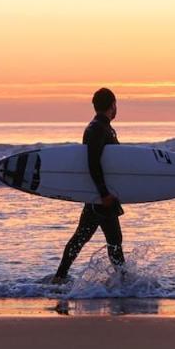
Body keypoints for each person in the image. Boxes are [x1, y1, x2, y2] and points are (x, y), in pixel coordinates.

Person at [50, 87, 125, 283]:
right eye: (115, 104)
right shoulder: (97, 129)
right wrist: (103, 193)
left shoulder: (101, 127)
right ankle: (123, 281)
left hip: (99, 194)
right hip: (100, 196)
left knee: (88, 238)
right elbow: (93, 162)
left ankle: (60, 277)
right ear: (112, 105)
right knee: (112, 240)